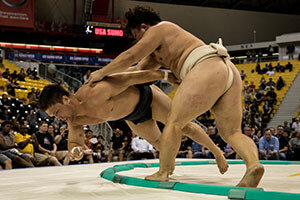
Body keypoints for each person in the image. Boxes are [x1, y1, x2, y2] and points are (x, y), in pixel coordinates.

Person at [86, 6, 263, 187]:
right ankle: (253, 165)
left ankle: (163, 172)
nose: (138, 41)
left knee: (174, 123)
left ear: (144, 27)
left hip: (205, 66)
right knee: (232, 132)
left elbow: (130, 56)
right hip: (226, 69)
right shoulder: (157, 54)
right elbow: (137, 71)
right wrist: (107, 79)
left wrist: (101, 72)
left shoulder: (160, 29)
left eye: (137, 35)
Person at [38, 70, 228, 174]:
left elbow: (130, 76)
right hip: (133, 117)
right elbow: (75, 143)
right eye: (53, 116)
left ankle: (216, 151)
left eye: (56, 112)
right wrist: (76, 151)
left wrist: (163, 76)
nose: (58, 118)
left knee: (184, 126)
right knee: (160, 144)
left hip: (149, 98)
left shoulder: (95, 91)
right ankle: (168, 166)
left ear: (65, 99)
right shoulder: (74, 120)